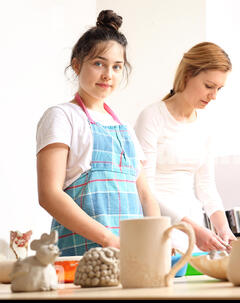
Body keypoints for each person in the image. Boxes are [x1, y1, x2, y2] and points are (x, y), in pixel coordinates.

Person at [36, 10, 160, 256]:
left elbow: (145, 196)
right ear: (76, 64)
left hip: (131, 256)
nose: (108, 75)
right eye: (98, 64)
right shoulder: (62, 117)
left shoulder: (125, 128)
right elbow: (49, 194)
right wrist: (110, 240)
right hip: (83, 256)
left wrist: (156, 239)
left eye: (117, 67)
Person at [135, 42, 236, 253]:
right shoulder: (152, 117)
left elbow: (206, 186)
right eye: (209, 86)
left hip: (195, 231)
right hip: (159, 226)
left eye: (219, 89)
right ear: (188, 74)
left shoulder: (205, 126)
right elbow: (145, 190)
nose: (214, 96)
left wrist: (223, 228)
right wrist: (194, 229)